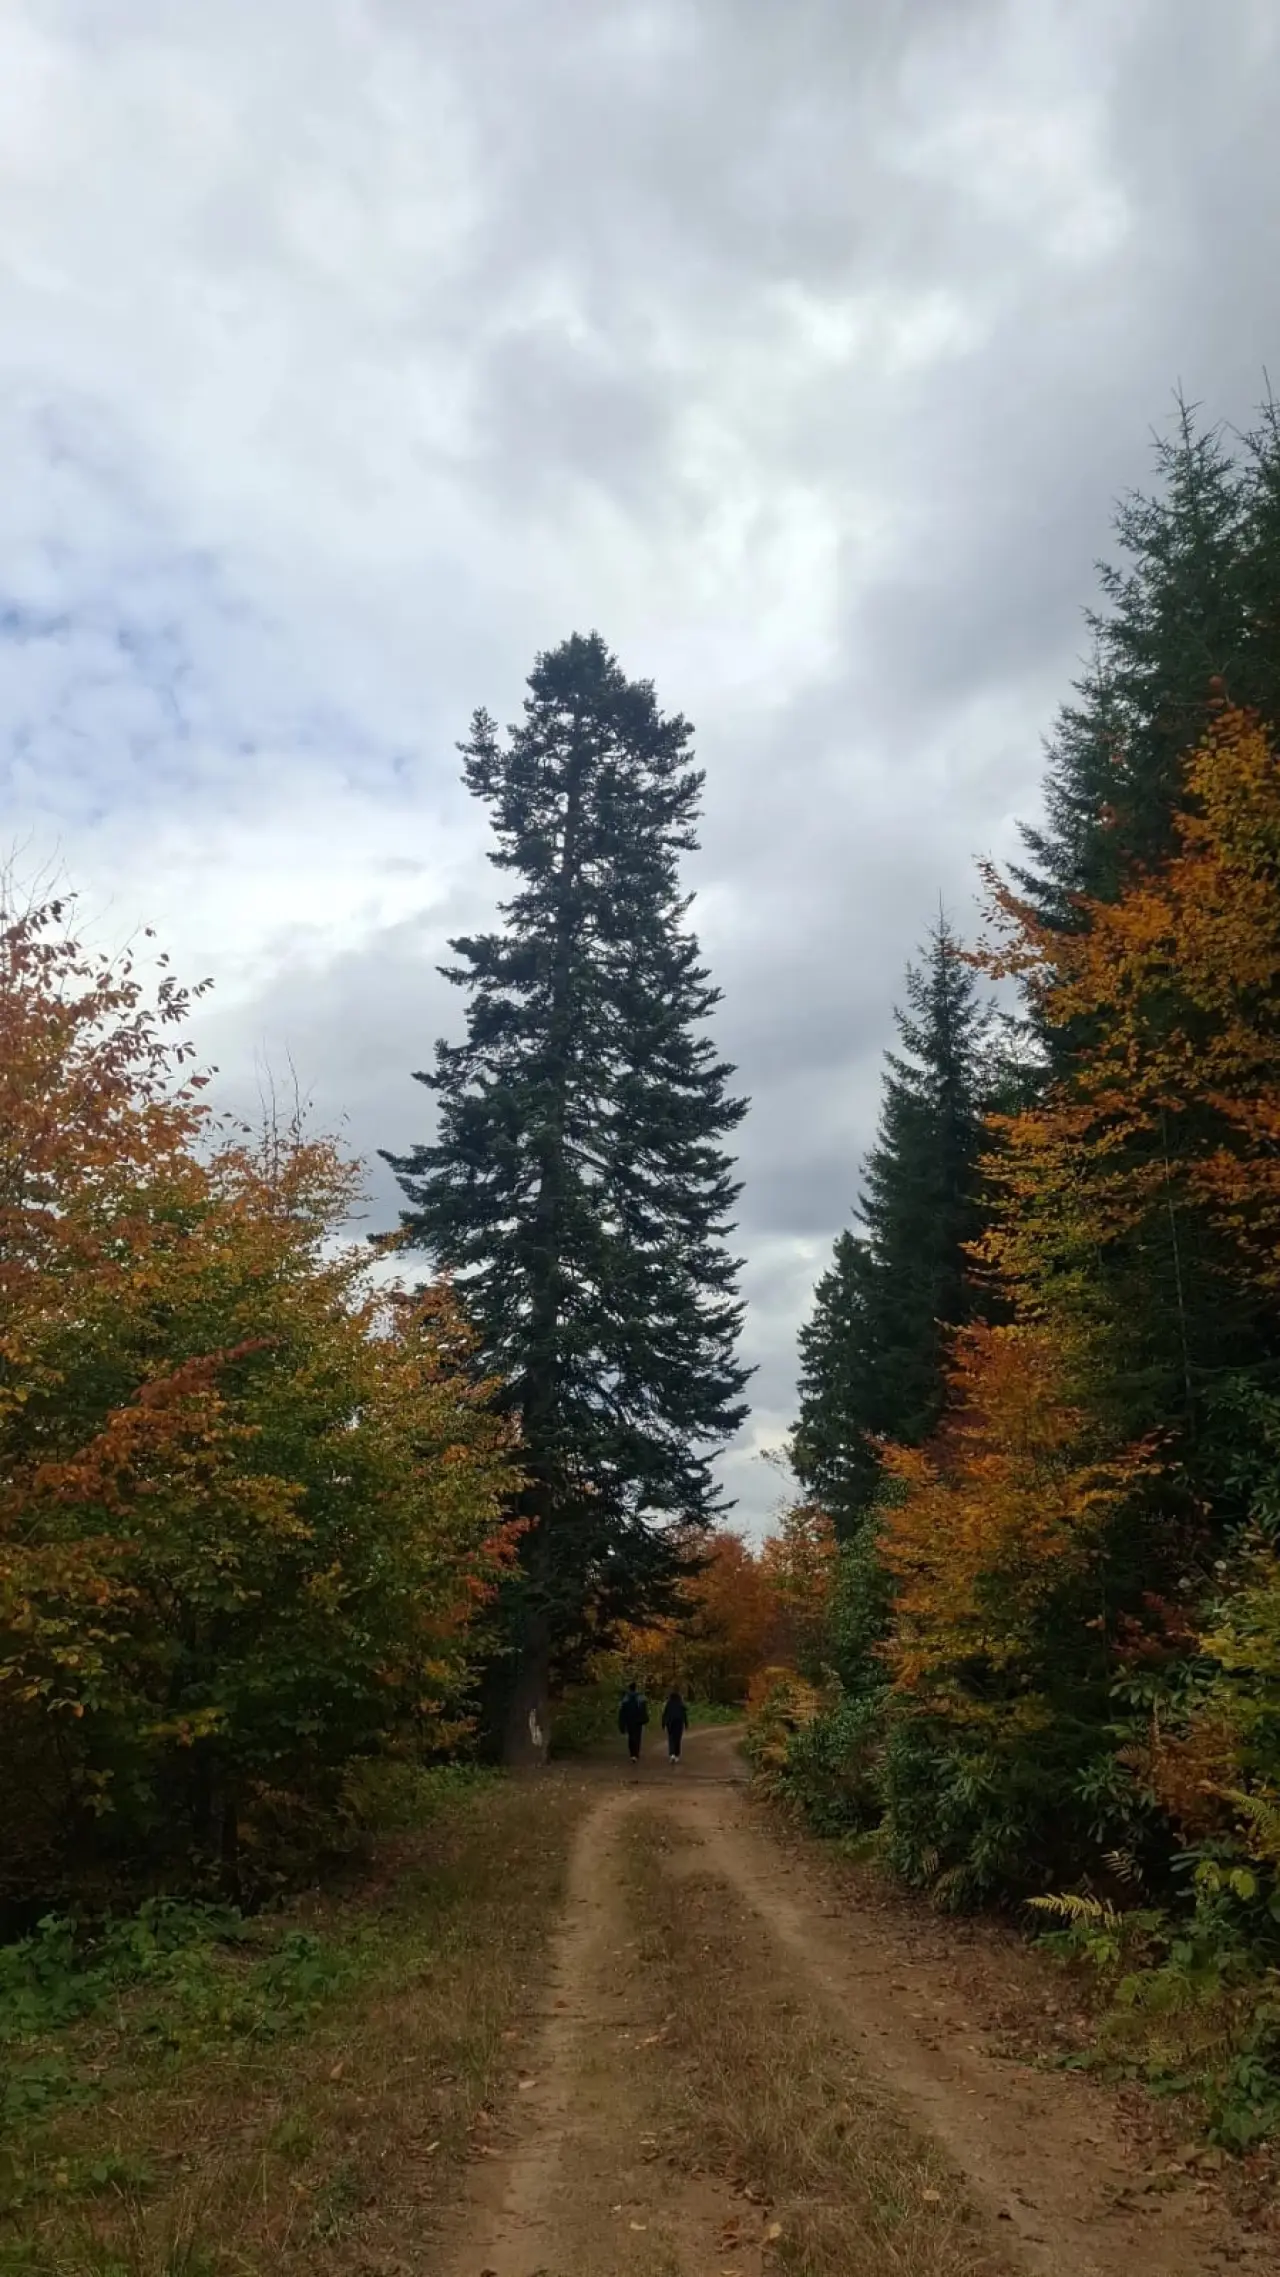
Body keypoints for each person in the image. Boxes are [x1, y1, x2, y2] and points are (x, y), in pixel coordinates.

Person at [618, 1680, 649, 1768]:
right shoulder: (640, 1697)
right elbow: (644, 1709)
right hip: (638, 1720)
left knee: (631, 1736)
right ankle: (636, 1753)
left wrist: (622, 1723)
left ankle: (632, 1754)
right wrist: (644, 1718)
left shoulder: (626, 1698)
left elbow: (622, 1712)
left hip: (629, 1720)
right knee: (638, 1736)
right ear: (636, 1687)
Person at [661, 1687, 689, 1765]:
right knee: (677, 1739)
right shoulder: (680, 1704)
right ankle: (677, 1755)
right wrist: (686, 1724)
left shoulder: (668, 1703)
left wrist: (663, 1724)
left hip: (670, 1723)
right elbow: (684, 1715)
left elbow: (664, 1714)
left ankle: (672, 1754)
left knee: (671, 1738)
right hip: (679, 1723)